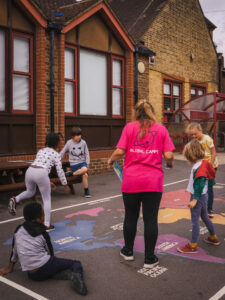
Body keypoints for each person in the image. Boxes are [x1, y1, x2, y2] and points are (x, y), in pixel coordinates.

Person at [108, 99, 175, 268]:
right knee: (150, 219)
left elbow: (120, 151)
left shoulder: (129, 128)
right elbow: (169, 156)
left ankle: (128, 252)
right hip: (153, 181)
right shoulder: (161, 129)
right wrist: (170, 164)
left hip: (131, 181)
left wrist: (110, 160)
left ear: (136, 112)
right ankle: (149, 259)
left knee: (131, 216)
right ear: (152, 111)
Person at [0, 203, 88, 296]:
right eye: (43, 214)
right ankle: (78, 277)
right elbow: (50, 254)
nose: (44, 216)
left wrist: (9, 269)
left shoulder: (18, 230)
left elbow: (14, 251)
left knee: (49, 269)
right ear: (39, 218)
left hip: (32, 275)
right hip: (45, 266)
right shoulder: (42, 232)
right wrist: (55, 263)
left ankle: (68, 275)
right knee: (75, 263)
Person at [8, 133, 70, 231]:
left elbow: (41, 164)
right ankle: (46, 225)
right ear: (57, 143)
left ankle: (15, 199)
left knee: (30, 192)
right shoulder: (56, 155)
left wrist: (48, 182)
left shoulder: (40, 151)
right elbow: (59, 171)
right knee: (46, 199)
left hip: (30, 171)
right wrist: (65, 184)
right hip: (41, 173)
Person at [177, 139, 220, 253]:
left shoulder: (198, 167)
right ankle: (213, 237)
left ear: (191, 154)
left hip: (198, 197)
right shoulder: (205, 163)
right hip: (204, 195)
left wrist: (195, 199)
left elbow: (199, 184)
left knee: (195, 221)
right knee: (205, 216)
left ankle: (192, 245)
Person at [186, 122, 218, 218]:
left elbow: (213, 153)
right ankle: (202, 207)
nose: (194, 136)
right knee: (199, 186)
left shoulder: (207, 139)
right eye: (191, 135)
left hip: (209, 166)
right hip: (200, 166)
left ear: (200, 130)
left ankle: (209, 209)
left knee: (208, 188)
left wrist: (210, 166)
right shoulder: (195, 141)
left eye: (195, 134)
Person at [60, 127, 91, 198]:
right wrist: (56, 159)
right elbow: (63, 152)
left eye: (80, 135)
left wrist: (87, 163)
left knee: (85, 171)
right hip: (74, 164)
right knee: (85, 174)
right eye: (77, 135)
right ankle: (86, 191)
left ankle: (71, 173)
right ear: (73, 136)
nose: (79, 137)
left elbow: (87, 153)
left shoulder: (83, 142)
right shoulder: (69, 143)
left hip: (82, 163)